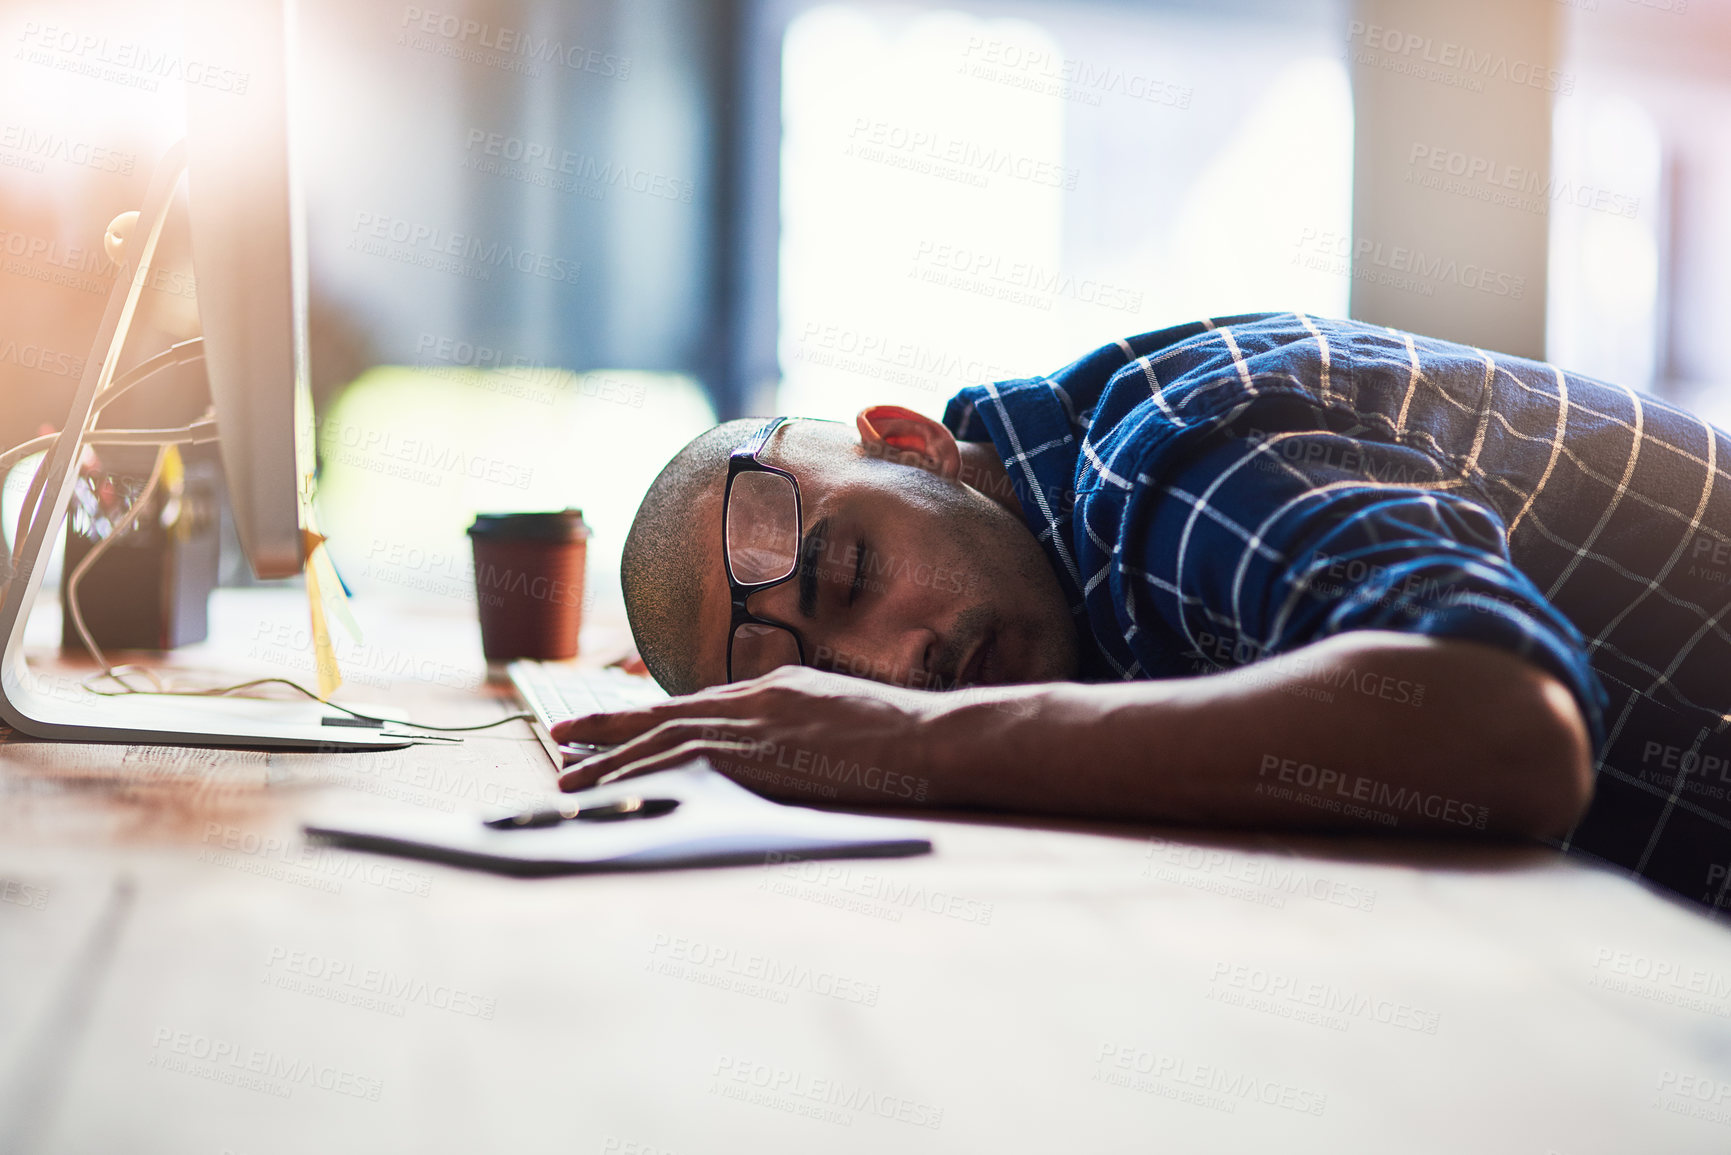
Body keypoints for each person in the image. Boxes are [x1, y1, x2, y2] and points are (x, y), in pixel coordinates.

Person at [554, 312, 1731, 913]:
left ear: (914, 445)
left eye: (853, 574)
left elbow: (1510, 729)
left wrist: (909, 744)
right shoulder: (1054, 522)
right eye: (821, 675)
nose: (894, 665)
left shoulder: (1170, 468)